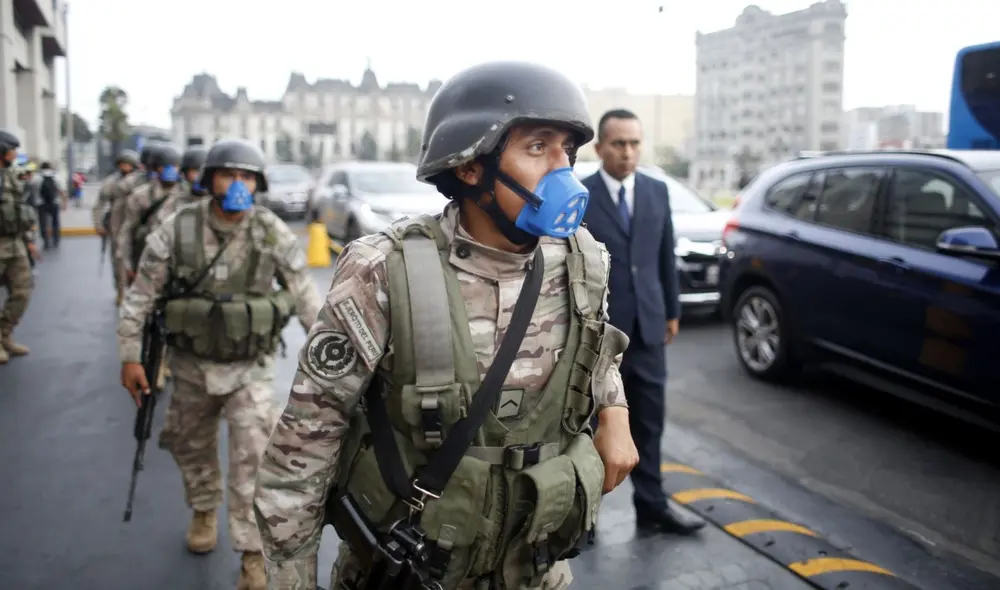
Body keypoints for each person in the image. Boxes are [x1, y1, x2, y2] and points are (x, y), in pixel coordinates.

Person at [254, 61, 640, 590]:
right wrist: (290, 578)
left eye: (568, 151)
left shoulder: (583, 260)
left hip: (535, 566)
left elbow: (596, 350)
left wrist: (614, 412)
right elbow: (306, 439)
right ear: (469, 166)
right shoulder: (383, 269)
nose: (563, 169)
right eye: (537, 147)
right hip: (410, 567)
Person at [118, 139, 321, 590]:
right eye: (229, 174)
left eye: (247, 176)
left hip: (250, 368)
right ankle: (204, 509)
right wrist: (131, 356)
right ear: (210, 180)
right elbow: (141, 297)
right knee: (192, 447)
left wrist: (331, 352)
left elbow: (307, 296)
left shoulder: (270, 231)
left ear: (258, 184)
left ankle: (251, 552)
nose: (238, 184)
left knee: (253, 455)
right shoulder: (178, 228)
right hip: (190, 366)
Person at [581, 109, 704, 536]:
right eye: (618, 144)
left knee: (650, 421)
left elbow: (663, 254)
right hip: (599, 334)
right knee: (590, 424)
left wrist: (671, 310)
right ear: (599, 148)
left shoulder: (655, 191)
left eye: (634, 143)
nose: (628, 152)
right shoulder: (582, 194)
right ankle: (585, 515)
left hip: (649, 326)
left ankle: (652, 504)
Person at [117, 143, 186, 282]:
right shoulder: (141, 196)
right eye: (164, 166)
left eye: (175, 166)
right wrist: (127, 264)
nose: (170, 170)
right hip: (146, 261)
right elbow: (127, 231)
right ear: (155, 168)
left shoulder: (187, 196)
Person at [0, 129, 40, 364]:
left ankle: (4, 335)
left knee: (22, 291)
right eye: (12, 150)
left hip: (15, 244)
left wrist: (29, 241)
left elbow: (18, 211)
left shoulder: (12, 176)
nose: (15, 154)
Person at [93, 149, 142, 305]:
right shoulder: (111, 182)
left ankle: (136, 291)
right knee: (118, 261)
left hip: (137, 224)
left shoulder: (141, 181)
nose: (125, 167)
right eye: (122, 164)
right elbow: (99, 204)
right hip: (117, 224)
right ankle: (121, 292)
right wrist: (99, 224)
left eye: (128, 164)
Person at [36, 162, 66, 249]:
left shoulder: (37, 177)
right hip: (54, 203)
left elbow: (34, 191)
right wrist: (64, 203)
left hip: (41, 204)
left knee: (43, 223)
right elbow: (62, 191)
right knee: (55, 222)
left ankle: (46, 241)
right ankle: (56, 239)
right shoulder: (56, 176)